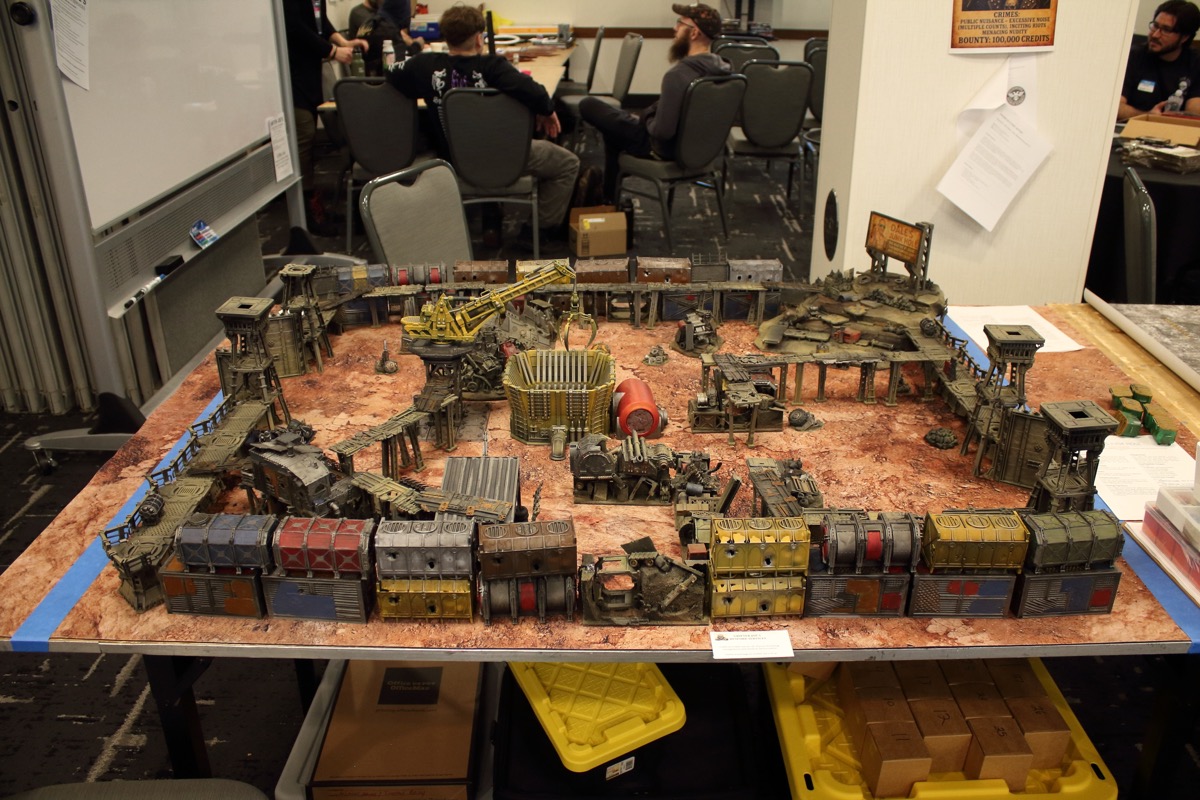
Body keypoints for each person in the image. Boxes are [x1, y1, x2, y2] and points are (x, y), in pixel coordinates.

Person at [386, 3, 580, 238]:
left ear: (445, 38)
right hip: (506, 158)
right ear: (479, 39)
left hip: (453, 160)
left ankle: (490, 216)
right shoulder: (494, 67)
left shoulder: (425, 66)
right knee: (568, 164)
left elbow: (391, 72)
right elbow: (535, 92)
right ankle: (537, 234)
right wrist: (546, 110)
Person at [579, 4, 732, 203]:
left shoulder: (678, 75)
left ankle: (608, 202)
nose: (675, 29)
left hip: (663, 149)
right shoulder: (725, 71)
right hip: (700, 151)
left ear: (694, 33)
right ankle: (608, 200)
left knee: (589, 105)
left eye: (680, 24)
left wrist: (648, 117)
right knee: (615, 131)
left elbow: (662, 132)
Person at [282, 0, 370, 234]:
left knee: (307, 139)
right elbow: (295, 27)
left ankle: (311, 206)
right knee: (304, 137)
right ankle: (305, 214)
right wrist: (332, 51)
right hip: (292, 74)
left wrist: (343, 42)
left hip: (308, 74)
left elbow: (319, 22)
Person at [1118, 1, 1200, 120]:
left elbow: (1195, 111)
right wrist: (1148, 116)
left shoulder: (1195, 63)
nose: (1155, 35)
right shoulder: (1132, 56)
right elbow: (1115, 107)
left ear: (1184, 37)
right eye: (1155, 26)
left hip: (1173, 128)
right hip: (1132, 126)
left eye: (1166, 30)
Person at [351, 0, 424, 75]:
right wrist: (417, 46)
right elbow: (399, 62)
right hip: (380, 78)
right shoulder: (387, 30)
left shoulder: (372, 22)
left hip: (366, 75)